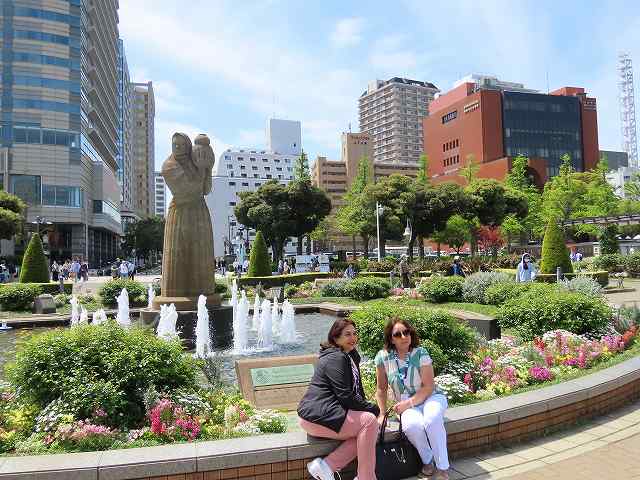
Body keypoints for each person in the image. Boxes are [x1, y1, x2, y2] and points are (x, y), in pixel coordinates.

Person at [298, 318, 380, 480]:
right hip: (316, 417)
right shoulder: (336, 358)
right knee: (369, 422)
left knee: (368, 429)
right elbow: (345, 395)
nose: (353, 338)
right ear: (336, 338)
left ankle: (326, 466)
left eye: (354, 333)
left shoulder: (350, 356)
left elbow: (357, 391)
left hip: (327, 414)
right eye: (347, 334)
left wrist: (368, 408)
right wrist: (373, 409)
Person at [375, 318, 450, 480]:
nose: (404, 337)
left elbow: (428, 386)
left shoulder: (420, 353)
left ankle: (442, 468)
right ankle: (428, 461)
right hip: (408, 406)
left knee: (432, 420)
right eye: (398, 334)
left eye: (406, 332)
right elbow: (381, 389)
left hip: (431, 397)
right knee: (412, 426)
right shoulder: (383, 357)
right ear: (391, 339)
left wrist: (408, 403)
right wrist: (381, 413)